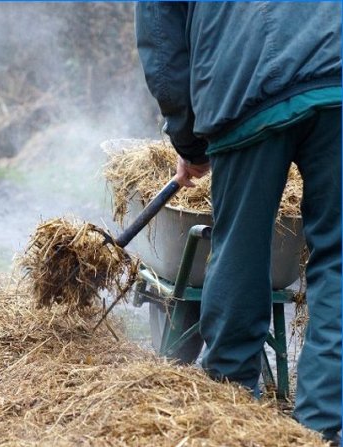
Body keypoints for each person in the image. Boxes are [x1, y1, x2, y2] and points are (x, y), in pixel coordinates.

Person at [135, 3, 341, 444]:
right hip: (334, 75)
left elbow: (160, 35)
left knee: (238, 250)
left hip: (242, 85)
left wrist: (189, 142)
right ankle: (323, 428)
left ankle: (233, 418)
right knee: (339, 259)